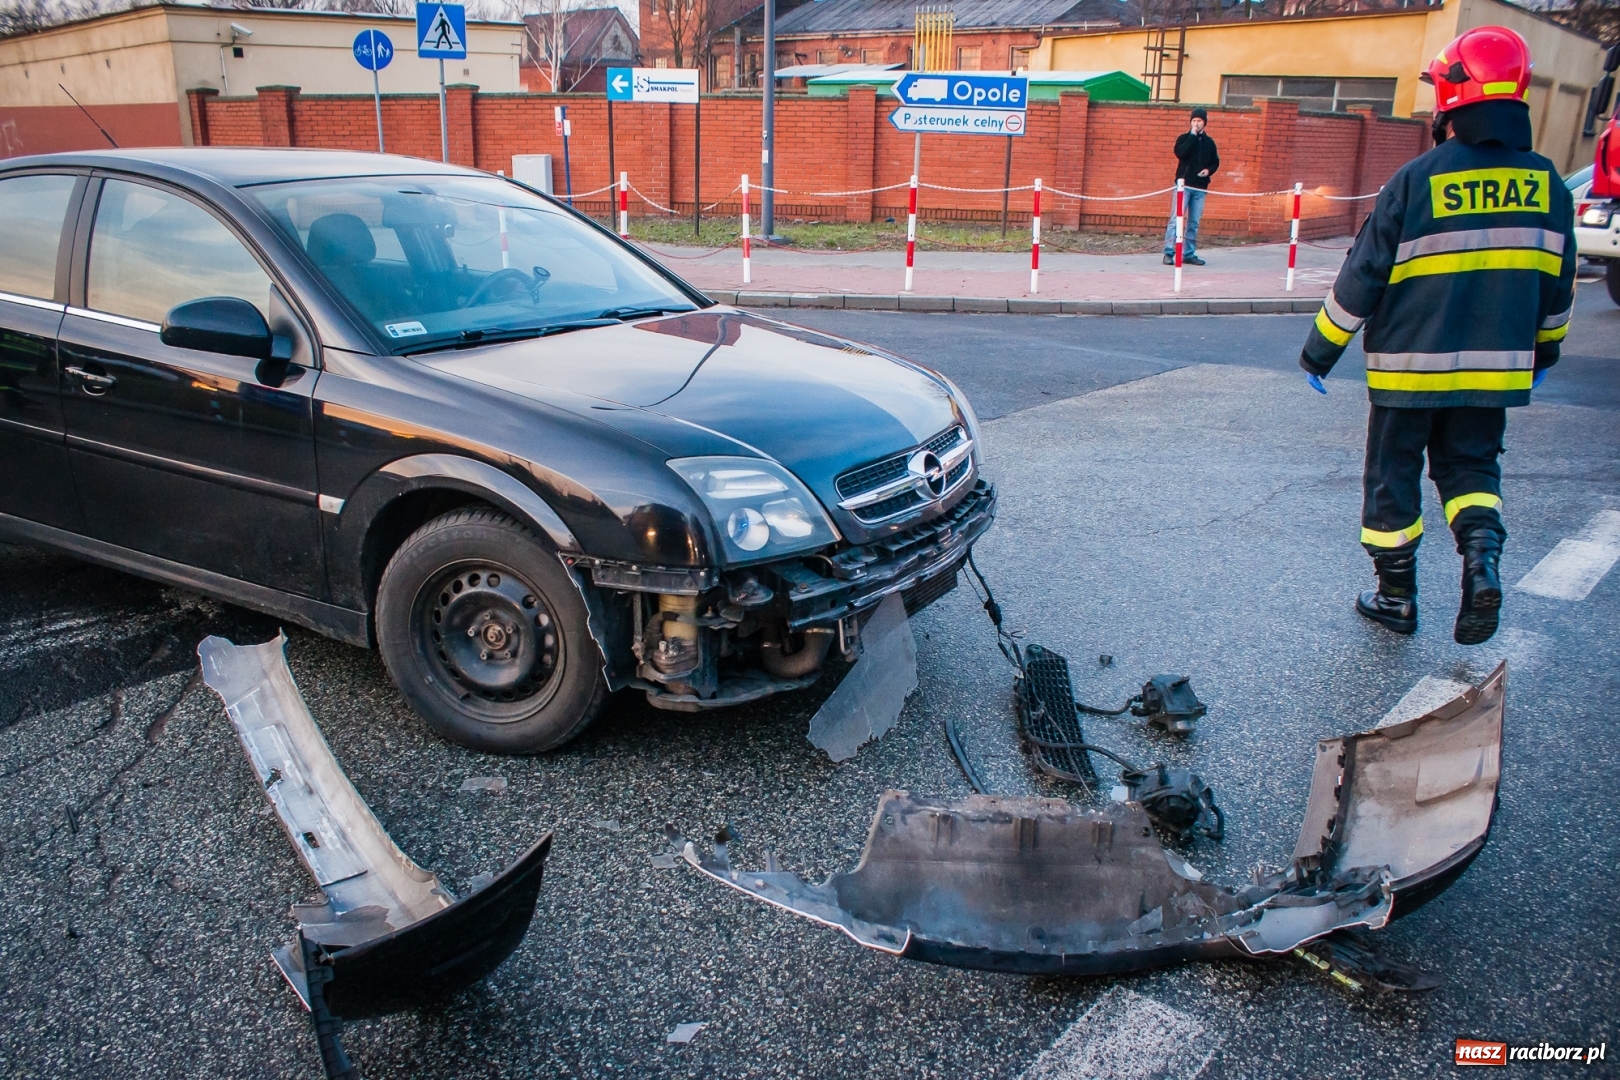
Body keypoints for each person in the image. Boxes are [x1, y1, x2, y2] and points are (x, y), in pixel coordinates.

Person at [1298, 25, 1576, 646]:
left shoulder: (1417, 180)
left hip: (1409, 368)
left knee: (1393, 476)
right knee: (1471, 469)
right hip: (1495, 373)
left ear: (1454, 93)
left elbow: (1362, 277)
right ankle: (1481, 563)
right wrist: (1544, 352)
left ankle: (1397, 599)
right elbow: (1558, 290)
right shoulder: (1549, 187)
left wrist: (1319, 351)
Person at [1163, 107, 1219, 266]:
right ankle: (1168, 252)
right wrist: (1193, 136)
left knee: (1193, 222)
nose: (1196, 123)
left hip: (1200, 187)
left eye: (1199, 121)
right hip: (1184, 186)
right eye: (1194, 121)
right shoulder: (1184, 138)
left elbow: (1215, 162)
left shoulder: (1209, 142)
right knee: (1175, 219)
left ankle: (1188, 253)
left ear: (1204, 123)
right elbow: (1181, 153)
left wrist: (1209, 170)